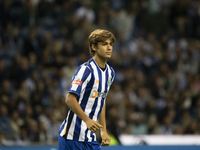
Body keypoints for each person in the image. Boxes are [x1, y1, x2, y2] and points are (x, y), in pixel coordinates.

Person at [58, 29, 116, 150]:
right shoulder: (86, 70)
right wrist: (87, 120)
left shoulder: (110, 73)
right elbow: (69, 99)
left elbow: (101, 100)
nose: (109, 47)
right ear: (94, 47)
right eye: (104, 44)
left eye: (111, 44)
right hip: (72, 137)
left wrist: (103, 130)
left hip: (89, 138)